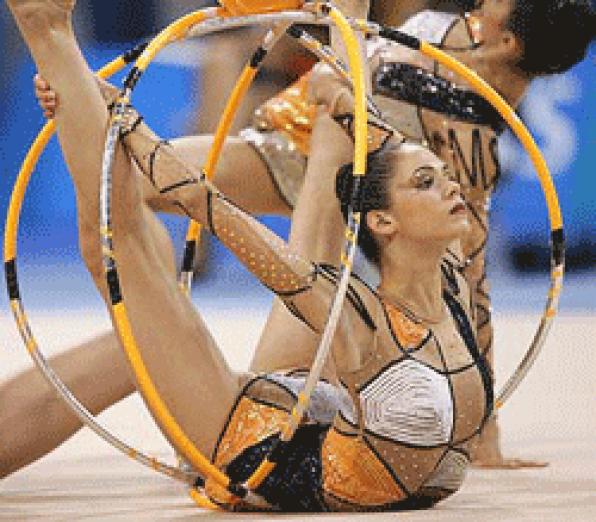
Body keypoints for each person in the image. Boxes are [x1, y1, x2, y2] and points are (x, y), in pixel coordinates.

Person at [2, 0, 594, 476]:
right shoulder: (448, 27)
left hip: (353, 170)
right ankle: (162, 324)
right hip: (304, 139)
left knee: (143, 234)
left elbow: (471, 282)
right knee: (127, 196)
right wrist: (87, 104)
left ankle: (57, 52)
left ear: (507, 40)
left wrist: (486, 432)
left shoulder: (470, 138)